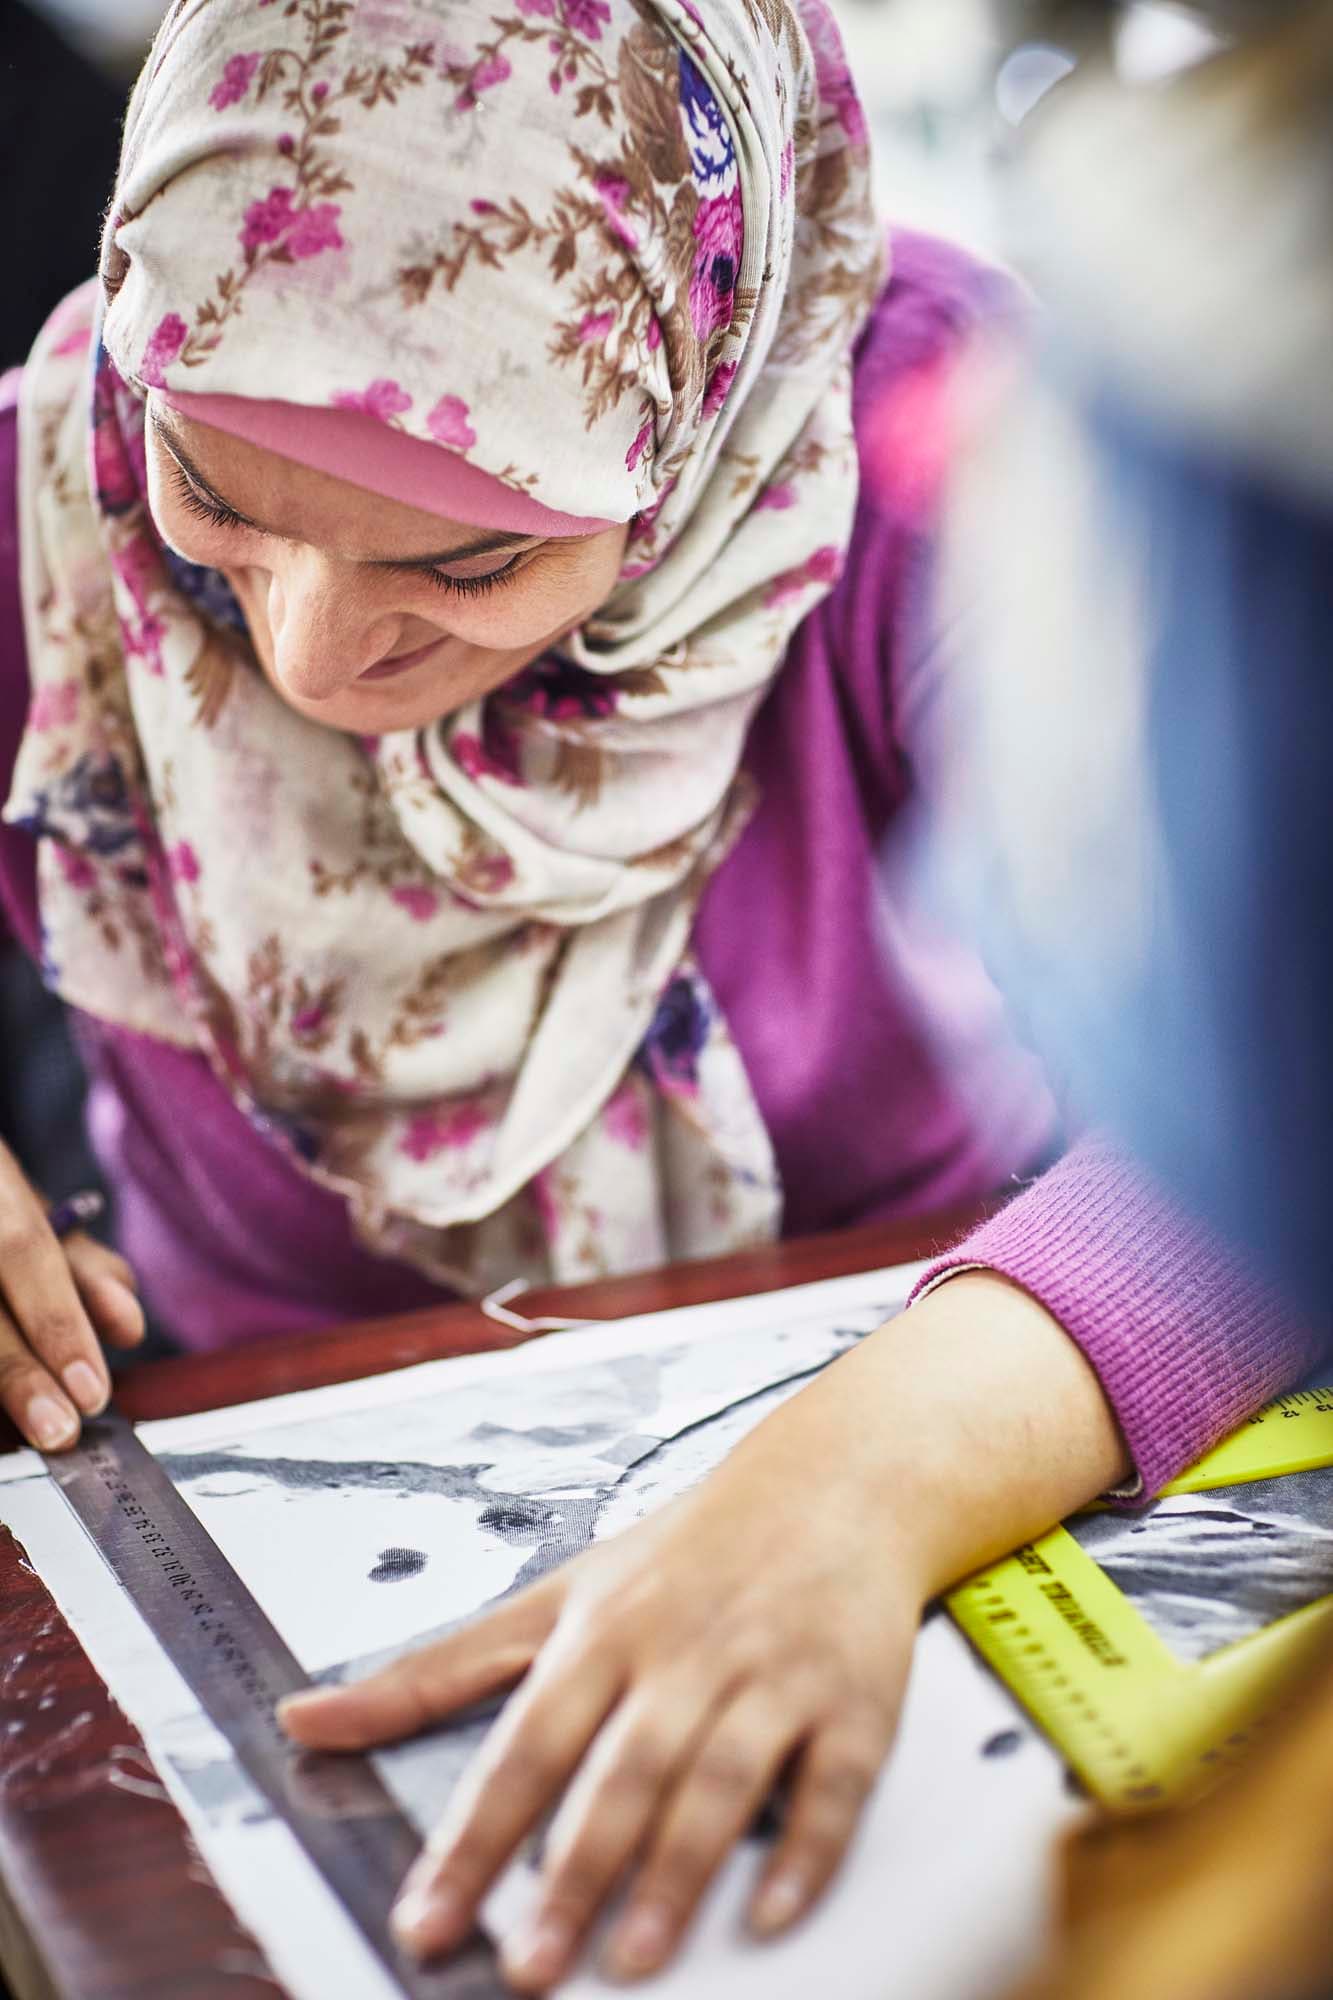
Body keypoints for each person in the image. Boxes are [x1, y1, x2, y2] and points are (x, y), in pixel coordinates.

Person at [0, 1, 1316, 1988]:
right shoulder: (52, 463)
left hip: (924, 1352)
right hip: (225, 1404)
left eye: (463, 558)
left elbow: (1277, 1140)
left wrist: (869, 1483)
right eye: (216, 496)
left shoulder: (933, 457)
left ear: (699, 401)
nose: (302, 651)